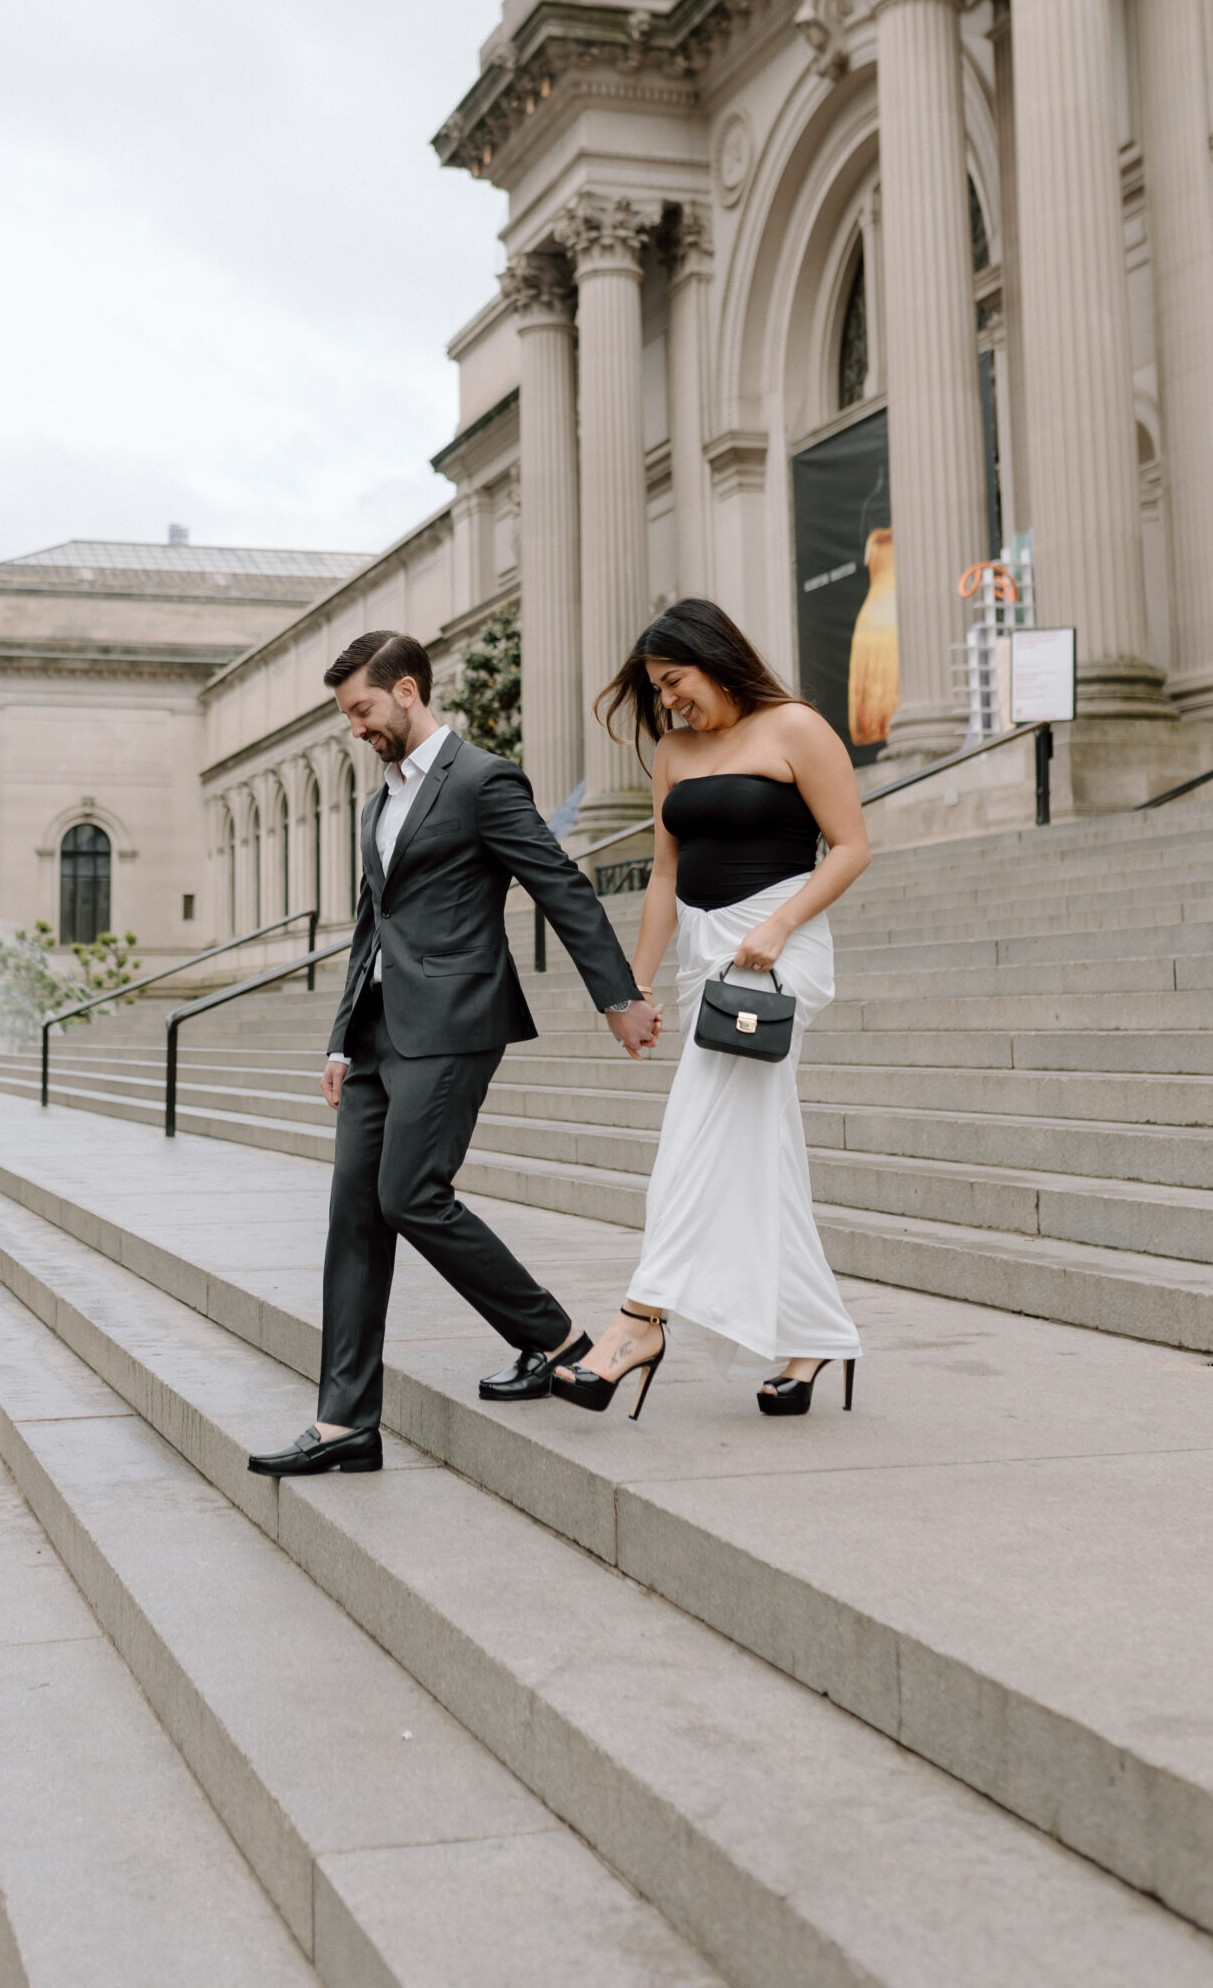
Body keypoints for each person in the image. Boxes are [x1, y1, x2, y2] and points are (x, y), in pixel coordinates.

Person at [248, 629, 662, 1478]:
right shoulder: (378, 802)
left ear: (406, 691)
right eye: (345, 716)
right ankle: (343, 1425)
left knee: (410, 1196)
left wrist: (618, 997)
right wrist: (336, 1040)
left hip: (454, 1023)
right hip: (374, 1032)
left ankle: (554, 1335)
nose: (353, 728)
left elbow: (558, 884)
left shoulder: (482, 779)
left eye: (361, 709)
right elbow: (372, 924)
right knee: (353, 1219)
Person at [552, 598, 869, 1422]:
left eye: (674, 681)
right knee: (762, 1152)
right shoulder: (672, 751)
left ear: (714, 657)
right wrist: (635, 985)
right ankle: (814, 1336)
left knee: (694, 1133)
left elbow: (851, 846)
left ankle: (637, 1321)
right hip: (705, 958)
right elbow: (664, 873)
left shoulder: (794, 728)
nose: (668, 701)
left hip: (773, 954)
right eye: (658, 690)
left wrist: (779, 922)